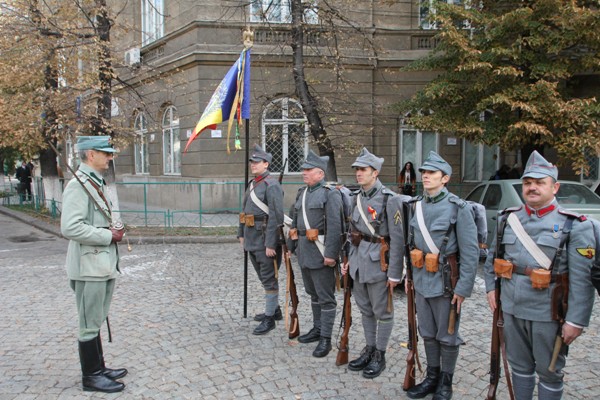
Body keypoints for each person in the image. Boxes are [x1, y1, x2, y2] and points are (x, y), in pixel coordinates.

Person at [484, 151, 596, 400]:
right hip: (512, 309)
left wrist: (575, 321)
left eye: (539, 183)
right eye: (527, 183)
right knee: (520, 367)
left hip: (549, 314)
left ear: (554, 187)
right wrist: (491, 288)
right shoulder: (507, 219)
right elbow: (493, 259)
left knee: (549, 371)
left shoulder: (575, 225)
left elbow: (582, 280)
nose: (532, 188)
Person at [405, 151, 479, 400]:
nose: (425, 176)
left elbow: (470, 253)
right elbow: (411, 245)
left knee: (447, 335)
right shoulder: (416, 205)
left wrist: (463, 289)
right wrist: (410, 278)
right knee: (427, 331)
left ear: (445, 178)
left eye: (431, 173)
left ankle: (445, 382)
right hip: (421, 279)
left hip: (447, 283)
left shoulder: (459, 209)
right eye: (424, 172)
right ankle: (432, 377)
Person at [60, 136, 127, 393]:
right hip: (89, 266)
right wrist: (108, 235)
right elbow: (71, 227)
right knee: (88, 322)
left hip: (100, 264)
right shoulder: (79, 184)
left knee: (96, 318)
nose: (110, 157)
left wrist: (114, 228)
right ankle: (91, 377)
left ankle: (99, 368)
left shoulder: (94, 182)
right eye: (105, 153)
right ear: (91, 155)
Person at [340, 147, 405, 379]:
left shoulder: (390, 199)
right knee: (365, 310)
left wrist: (395, 273)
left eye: (363, 169)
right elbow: (351, 233)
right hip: (358, 262)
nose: (359, 173)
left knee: (383, 311)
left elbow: (398, 239)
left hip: (380, 263)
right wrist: (346, 260)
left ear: (375, 172)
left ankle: (380, 353)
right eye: (357, 169)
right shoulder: (355, 198)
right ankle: (369, 348)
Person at [288, 150, 343, 358]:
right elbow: (295, 223)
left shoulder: (330, 194)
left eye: (308, 169)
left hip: (321, 253)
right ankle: (318, 329)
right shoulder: (302, 193)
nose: (304, 172)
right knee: (313, 294)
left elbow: (335, 227)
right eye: (303, 169)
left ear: (320, 173)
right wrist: (290, 247)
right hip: (304, 252)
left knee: (326, 297)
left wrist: (331, 254)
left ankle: (326, 339)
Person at [237, 144, 284, 335]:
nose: (253, 165)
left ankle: (270, 318)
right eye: (252, 162)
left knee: (269, 278)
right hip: (251, 237)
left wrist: (271, 243)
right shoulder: (252, 183)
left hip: (265, 238)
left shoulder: (271, 185)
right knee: (263, 277)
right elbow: (244, 210)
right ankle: (276, 309)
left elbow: (276, 216)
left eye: (257, 162)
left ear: (266, 164)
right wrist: (240, 233)